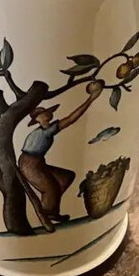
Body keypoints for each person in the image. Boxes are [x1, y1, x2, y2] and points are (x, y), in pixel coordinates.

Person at [18, 83, 103, 223]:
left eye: (46, 111)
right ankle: (49, 212)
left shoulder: (47, 129)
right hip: (30, 164)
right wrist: (90, 99)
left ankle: (51, 204)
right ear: (37, 119)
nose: (46, 114)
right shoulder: (45, 131)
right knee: (50, 188)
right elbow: (70, 119)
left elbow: (69, 119)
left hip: (38, 162)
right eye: (42, 113)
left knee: (65, 177)